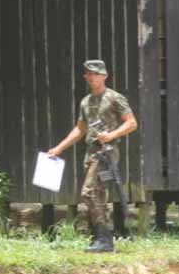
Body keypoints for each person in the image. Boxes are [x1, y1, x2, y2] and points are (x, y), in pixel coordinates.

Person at [47, 59, 137, 252]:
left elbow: (131, 123)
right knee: (97, 194)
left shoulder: (114, 97)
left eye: (96, 73)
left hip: (107, 152)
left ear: (104, 76)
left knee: (89, 192)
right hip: (90, 152)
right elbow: (80, 129)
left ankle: (104, 238)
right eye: (88, 73)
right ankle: (100, 237)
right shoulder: (86, 101)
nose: (92, 76)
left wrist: (111, 135)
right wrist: (59, 148)